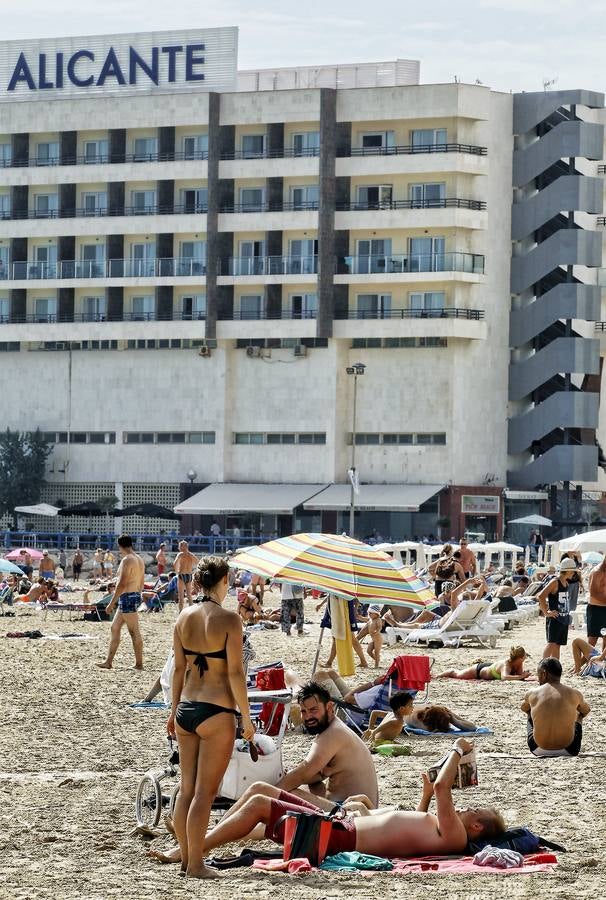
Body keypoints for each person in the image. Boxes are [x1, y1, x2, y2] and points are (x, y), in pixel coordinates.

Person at [197, 737, 504, 861]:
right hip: (340, 826)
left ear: (477, 826)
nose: (465, 806)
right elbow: (415, 829)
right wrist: (423, 799)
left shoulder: (456, 836)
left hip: (339, 837)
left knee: (259, 805)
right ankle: (202, 836)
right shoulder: (445, 832)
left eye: (472, 809)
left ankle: (193, 849)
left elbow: (443, 788)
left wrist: (457, 750)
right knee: (260, 790)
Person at [167, 555, 255, 879]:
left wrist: (171, 711)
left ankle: (186, 859)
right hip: (217, 712)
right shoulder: (230, 619)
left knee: (187, 789)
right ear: (223, 582)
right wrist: (246, 717)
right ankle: (195, 865)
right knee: (206, 793)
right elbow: (234, 672)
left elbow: (179, 670)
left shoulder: (182, 618)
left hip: (185, 708)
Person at [276, 682, 378, 806]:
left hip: (352, 810)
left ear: (329, 707)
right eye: (304, 711)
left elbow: (302, 774)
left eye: (313, 710)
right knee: (310, 785)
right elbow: (317, 775)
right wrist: (291, 775)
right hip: (358, 805)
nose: (308, 717)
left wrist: (271, 791)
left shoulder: (333, 734)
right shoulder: (334, 727)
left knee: (287, 794)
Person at [521, 657, 590, 757]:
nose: (538, 678)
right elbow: (586, 710)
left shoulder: (533, 693)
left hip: (537, 749)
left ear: (544, 673)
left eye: (538, 674)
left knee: (530, 711)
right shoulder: (574, 693)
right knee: (579, 714)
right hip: (570, 750)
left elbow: (523, 708)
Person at [96, 535, 146, 670]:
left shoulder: (127, 559)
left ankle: (139, 664)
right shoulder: (139, 559)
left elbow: (122, 583)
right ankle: (108, 661)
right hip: (132, 595)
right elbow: (141, 582)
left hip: (127, 596)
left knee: (134, 631)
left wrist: (111, 602)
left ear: (120, 546)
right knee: (115, 627)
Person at [536, 558, 578, 659]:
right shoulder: (555, 582)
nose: (574, 573)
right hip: (555, 619)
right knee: (551, 644)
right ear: (567, 570)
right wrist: (546, 612)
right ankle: (543, 666)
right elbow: (541, 596)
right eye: (573, 571)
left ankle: (555, 666)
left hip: (563, 619)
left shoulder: (566, 583)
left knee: (557, 645)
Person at [438, 645, 531, 681]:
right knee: (456, 674)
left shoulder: (519, 663)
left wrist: (524, 675)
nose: (525, 658)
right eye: (524, 656)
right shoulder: (506, 664)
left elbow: (519, 676)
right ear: (519, 658)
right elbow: (504, 677)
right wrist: (521, 676)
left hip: (490, 668)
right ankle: (438, 676)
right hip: (478, 671)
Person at [586, 555, 606, 648]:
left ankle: (603, 659)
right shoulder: (597, 572)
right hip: (596, 609)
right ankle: (588, 661)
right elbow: (594, 593)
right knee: (592, 639)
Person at [173, 540, 198, 610]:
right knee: (185, 596)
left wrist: (191, 555)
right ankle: (184, 613)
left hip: (185, 575)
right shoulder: (183, 554)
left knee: (185, 596)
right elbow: (175, 565)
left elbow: (197, 562)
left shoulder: (188, 554)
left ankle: (186, 613)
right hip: (185, 575)